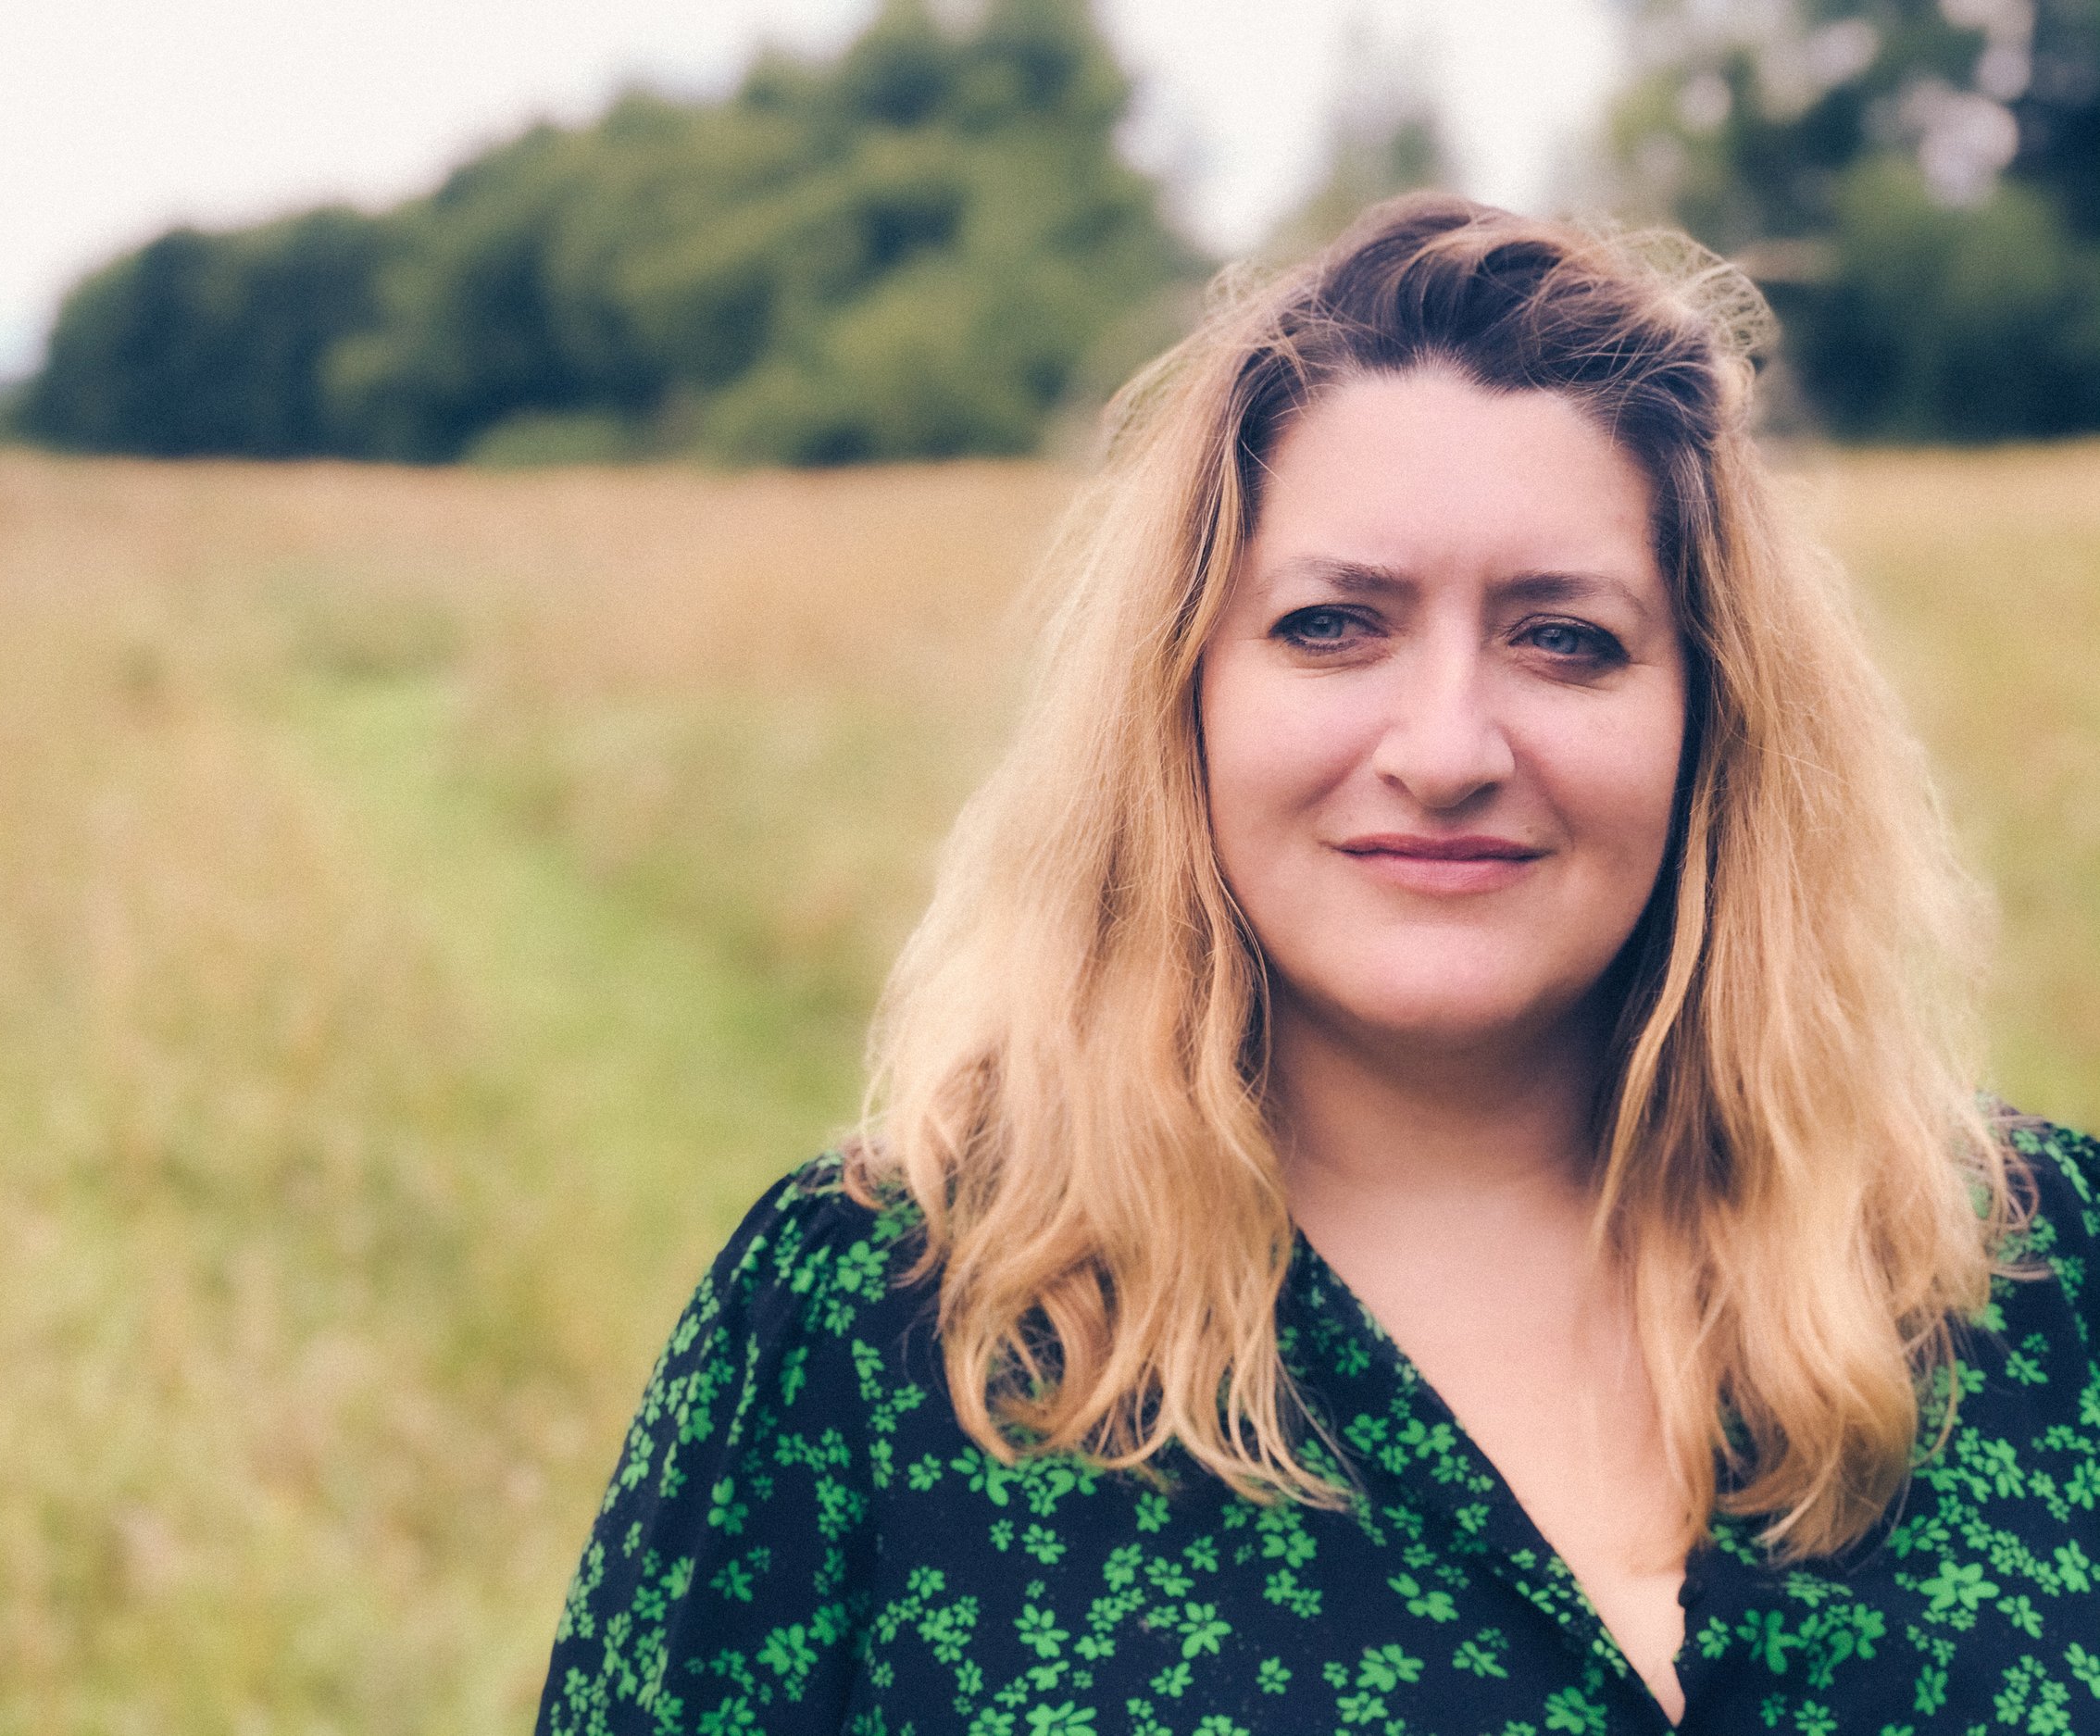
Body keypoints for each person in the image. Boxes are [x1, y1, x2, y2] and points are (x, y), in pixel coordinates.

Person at [535, 195, 2100, 1735]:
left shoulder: (2048, 1282)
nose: (1444, 750)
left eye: (1565, 637)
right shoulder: (872, 1330)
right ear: (1184, 703)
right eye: (1335, 624)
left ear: (1712, 724)